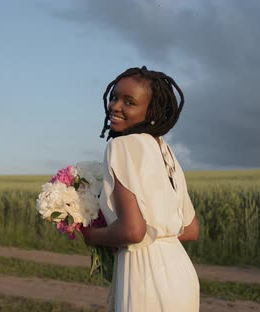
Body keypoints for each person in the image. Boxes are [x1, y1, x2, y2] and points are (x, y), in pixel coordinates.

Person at [81, 66, 200, 311]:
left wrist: (93, 235)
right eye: (114, 97)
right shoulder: (165, 151)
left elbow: (133, 231)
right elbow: (190, 229)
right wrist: (156, 236)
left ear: (151, 111)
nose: (115, 106)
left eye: (129, 102)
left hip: (145, 276)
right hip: (181, 274)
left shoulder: (122, 146)